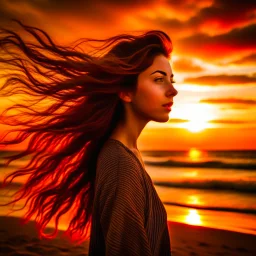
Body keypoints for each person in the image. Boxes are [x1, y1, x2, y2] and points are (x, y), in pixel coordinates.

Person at [0, 20, 178, 255]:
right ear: (125, 91)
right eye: (159, 79)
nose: (172, 90)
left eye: (171, 80)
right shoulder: (120, 165)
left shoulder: (125, 155)